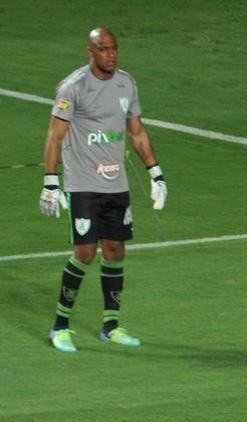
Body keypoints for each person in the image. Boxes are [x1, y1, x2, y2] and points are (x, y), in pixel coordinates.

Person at [39, 26, 168, 353]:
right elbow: (55, 135)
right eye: (103, 49)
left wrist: (156, 172)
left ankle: (111, 325)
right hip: (83, 184)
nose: (110, 55)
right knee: (85, 252)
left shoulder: (127, 83)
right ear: (90, 51)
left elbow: (137, 132)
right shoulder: (73, 88)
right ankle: (60, 326)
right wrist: (51, 183)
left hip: (117, 185)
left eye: (114, 48)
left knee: (115, 251)